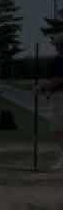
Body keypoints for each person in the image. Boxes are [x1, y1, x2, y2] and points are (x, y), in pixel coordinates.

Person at [40, 33, 63, 170]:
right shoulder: (58, 60)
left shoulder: (60, 60)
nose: (55, 47)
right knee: (58, 129)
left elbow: (59, 79)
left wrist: (42, 87)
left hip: (61, 97)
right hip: (58, 96)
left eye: (56, 44)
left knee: (59, 129)